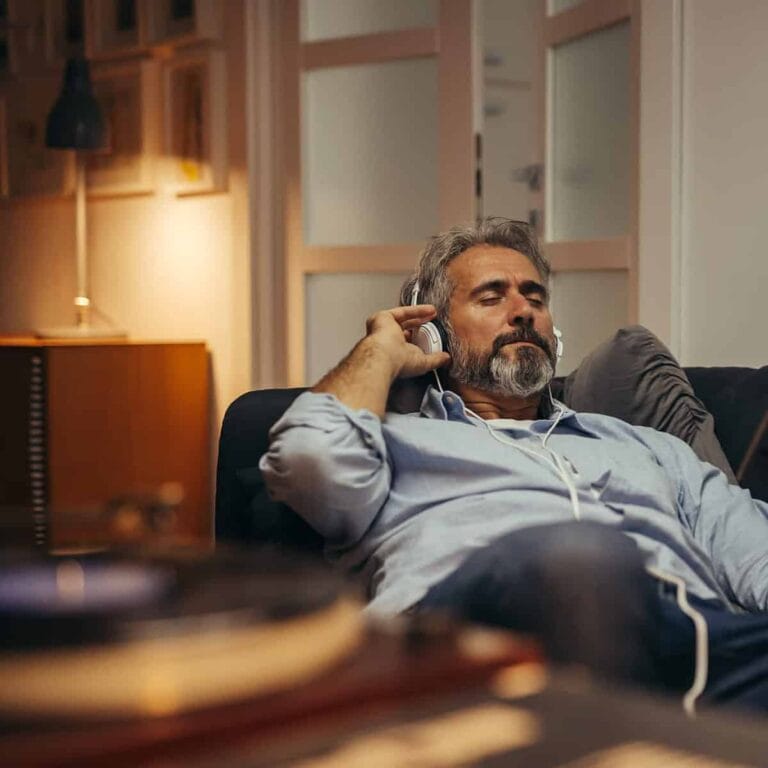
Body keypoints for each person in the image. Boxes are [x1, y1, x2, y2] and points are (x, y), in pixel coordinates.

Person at [260, 218, 768, 714]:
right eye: (491, 297)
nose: (523, 311)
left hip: (700, 641)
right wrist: (380, 351)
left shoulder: (647, 446)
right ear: (433, 334)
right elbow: (308, 460)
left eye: (535, 298)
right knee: (580, 556)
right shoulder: (389, 442)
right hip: (474, 646)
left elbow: (752, 550)